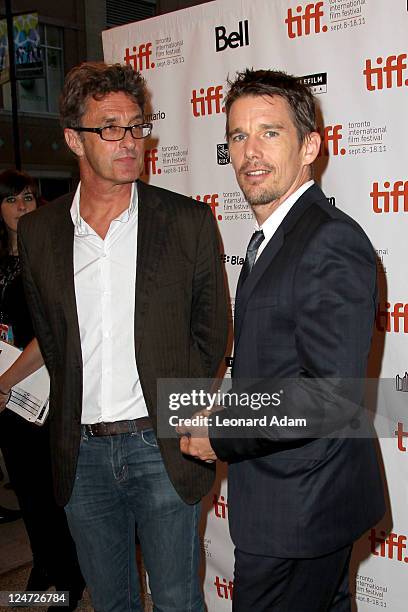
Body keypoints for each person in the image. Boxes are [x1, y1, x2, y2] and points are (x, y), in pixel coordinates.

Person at [6, 63, 228, 612]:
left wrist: (180, 418)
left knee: (177, 600)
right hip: (80, 457)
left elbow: (212, 332)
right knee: (110, 601)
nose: (129, 141)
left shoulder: (185, 223)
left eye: (136, 125)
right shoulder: (39, 234)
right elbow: (54, 342)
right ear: (71, 138)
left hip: (160, 447)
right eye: (109, 127)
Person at [179, 69, 385, 611]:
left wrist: (219, 431)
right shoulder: (271, 239)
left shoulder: (328, 240)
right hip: (294, 502)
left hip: (301, 511)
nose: (250, 152)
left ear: (310, 146)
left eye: (270, 133)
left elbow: (327, 395)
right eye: (238, 136)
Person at [0, 170, 85, 608]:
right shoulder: (1, 263)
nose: (21, 206)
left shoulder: (51, 257)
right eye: (11, 199)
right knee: (28, 490)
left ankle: (69, 574)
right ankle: (44, 562)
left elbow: (52, 333)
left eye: (28, 197)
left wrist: (5, 381)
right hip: (8, 397)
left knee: (54, 491)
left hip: (44, 390)